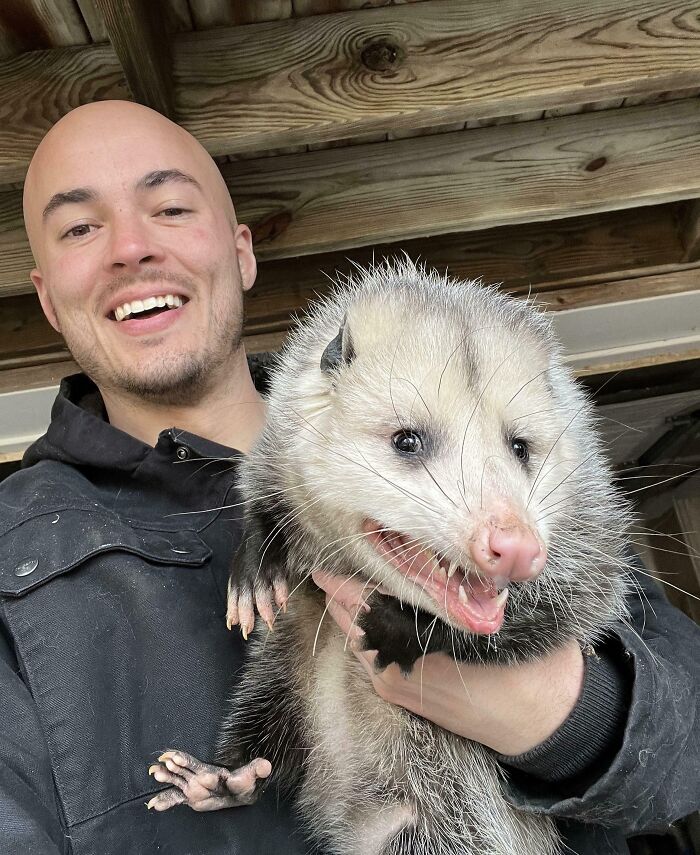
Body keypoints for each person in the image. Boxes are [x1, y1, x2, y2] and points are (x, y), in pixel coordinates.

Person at [0, 99, 697, 855]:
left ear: (241, 251)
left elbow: (687, 748)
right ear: (46, 296)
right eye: (80, 226)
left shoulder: (515, 473)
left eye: (168, 206)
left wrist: (569, 715)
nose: (130, 247)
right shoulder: (16, 545)